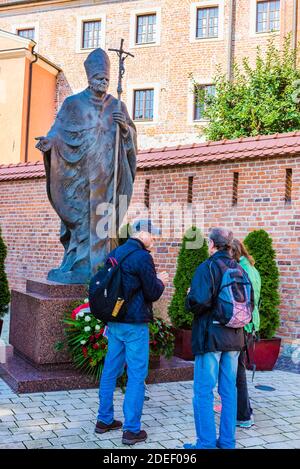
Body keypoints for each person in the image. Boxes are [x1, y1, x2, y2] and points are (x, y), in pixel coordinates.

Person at [36, 48, 137, 284]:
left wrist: (124, 129)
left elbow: (131, 139)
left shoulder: (118, 106)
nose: (103, 83)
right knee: (81, 219)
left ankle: (101, 267)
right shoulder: (73, 104)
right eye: (99, 79)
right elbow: (58, 130)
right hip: (78, 175)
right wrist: (50, 142)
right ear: (90, 79)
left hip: (107, 175)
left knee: (103, 219)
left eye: (106, 80)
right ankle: (78, 264)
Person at [95, 219, 168, 445]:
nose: (154, 241)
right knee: (137, 375)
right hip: (135, 324)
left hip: (115, 321)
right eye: (153, 236)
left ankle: (104, 420)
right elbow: (152, 292)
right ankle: (131, 430)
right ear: (142, 234)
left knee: (110, 371)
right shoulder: (142, 257)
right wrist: (162, 281)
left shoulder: (116, 252)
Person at [184, 227, 246, 449]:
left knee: (203, 391)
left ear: (211, 244)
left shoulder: (208, 267)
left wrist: (189, 296)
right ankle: (228, 442)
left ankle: (206, 444)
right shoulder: (240, 268)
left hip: (211, 338)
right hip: (235, 337)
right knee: (229, 391)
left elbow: (199, 302)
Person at [231, 239, 261, 429]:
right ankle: (242, 410)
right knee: (238, 371)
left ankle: (244, 415)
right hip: (251, 324)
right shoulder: (251, 267)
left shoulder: (241, 271)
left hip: (243, 326)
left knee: (237, 373)